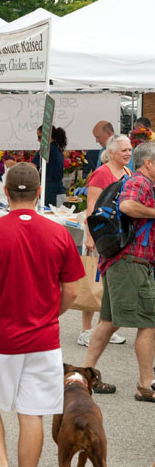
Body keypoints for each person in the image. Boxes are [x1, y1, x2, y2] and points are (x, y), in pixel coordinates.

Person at [0, 163, 84, 467]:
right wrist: (52, 314)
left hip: (0, 338)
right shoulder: (59, 234)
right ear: (39, 193)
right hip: (43, 340)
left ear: (6, 193)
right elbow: (73, 291)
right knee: (32, 414)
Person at [81, 141, 155, 399]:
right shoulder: (140, 182)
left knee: (108, 323)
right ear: (149, 163)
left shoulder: (136, 180)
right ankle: (146, 386)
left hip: (122, 261)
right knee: (149, 321)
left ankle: (85, 377)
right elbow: (127, 206)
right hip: (132, 262)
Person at [79, 134, 132, 348]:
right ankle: (85, 330)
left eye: (129, 149)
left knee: (109, 282)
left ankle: (104, 326)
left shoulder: (128, 172)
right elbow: (91, 207)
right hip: (100, 232)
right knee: (93, 280)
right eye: (124, 150)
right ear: (111, 154)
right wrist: (91, 237)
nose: (128, 153)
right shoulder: (101, 174)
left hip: (118, 234)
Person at [32, 126, 67, 207]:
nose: (38, 140)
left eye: (40, 137)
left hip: (52, 194)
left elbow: (31, 166)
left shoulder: (47, 149)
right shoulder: (56, 148)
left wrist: (14, 165)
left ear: (47, 136)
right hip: (56, 193)